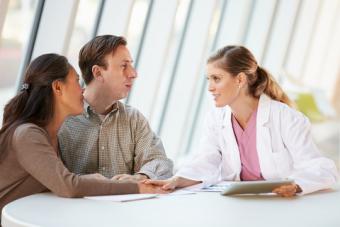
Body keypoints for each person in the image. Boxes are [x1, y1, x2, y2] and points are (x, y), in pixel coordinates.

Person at [145, 45, 338, 197]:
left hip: (281, 204)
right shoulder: (216, 118)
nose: (210, 87)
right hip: (240, 204)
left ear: (240, 79)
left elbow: (322, 168)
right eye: (208, 79)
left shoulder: (286, 118)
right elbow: (207, 159)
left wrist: (296, 186)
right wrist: (177, 180)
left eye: (216, 79)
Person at [0, 53, 166, 214]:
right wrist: (137, 187)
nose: (82, 90)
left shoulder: (48, 135)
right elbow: (68, 185)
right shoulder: (28, 134)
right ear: (58, 87)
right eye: (77, 82)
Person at [58, 35, 173, 182]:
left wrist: (141, 177)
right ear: (98, 73)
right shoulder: (62, 120)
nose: (133, 74)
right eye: (124, 66)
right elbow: (54, 175)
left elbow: (160, 162)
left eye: (131, 65)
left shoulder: (134, 119)